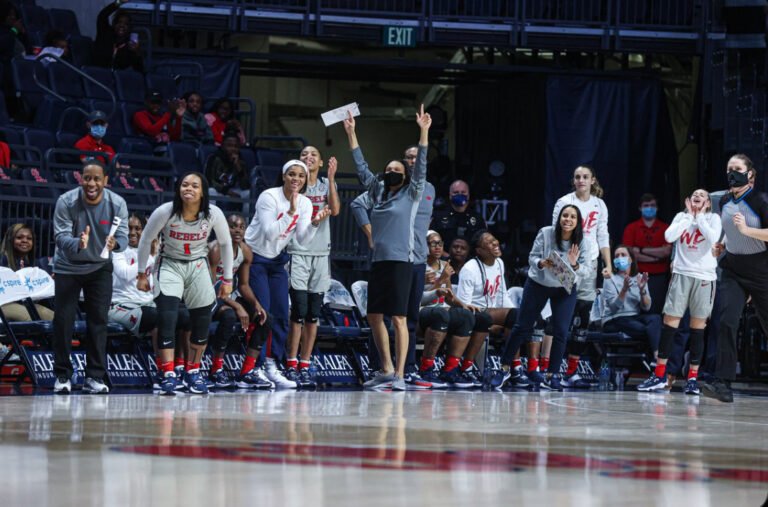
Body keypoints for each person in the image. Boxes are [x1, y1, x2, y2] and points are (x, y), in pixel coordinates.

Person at [344, 120, 436, 389]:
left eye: (398, 169)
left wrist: (424, 131)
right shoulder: (379, 191)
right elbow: (362, 169)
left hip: (401, 262)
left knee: (399, 318)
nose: (392, 172)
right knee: (374, 316)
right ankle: (384, 369)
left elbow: (420, 166)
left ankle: (399, 374)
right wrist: (351, 133)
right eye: (388, 170)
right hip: (380, 262)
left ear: (406, 175)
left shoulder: (413, 193)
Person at [137, 171, 233, 395]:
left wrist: (227, 278)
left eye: (194, 186)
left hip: (198, 264)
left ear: (202, 192)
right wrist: (142, 273)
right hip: (170, 263)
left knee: (201, 320)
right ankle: (168, 373)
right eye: (184, 185)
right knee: (167, 317)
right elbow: (146, 239)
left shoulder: (213, 213)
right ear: (178, 189)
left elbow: (226, 244)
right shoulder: (166, 211)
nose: (188, 189)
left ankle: (193, 371)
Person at [244, 160, 331, 389]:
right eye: (291, 174)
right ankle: (255, 367)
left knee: (283, 313)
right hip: (255, 258)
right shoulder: (269, 197)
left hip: (277, 262)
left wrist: (313, 224)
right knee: (263, 314)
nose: (296, 179)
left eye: (301, 176)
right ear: (283, 177)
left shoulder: (305, 202)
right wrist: (290, 212)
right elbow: (271, 233)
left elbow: (302, 239)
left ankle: (272, 365)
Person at [51, 159, 129, 394]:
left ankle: (94, 377)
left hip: (99, 268)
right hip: (68, 267)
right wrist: (78, 243)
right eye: (87, 178)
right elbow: (60, 237)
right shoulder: (66, 201)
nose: (91, 183)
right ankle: (63, 376)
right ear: (80, 179)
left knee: (98, 323)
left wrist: (116, 244)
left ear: (106, 180)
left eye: (97, 178)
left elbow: (124, 238)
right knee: (63, 322)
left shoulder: (117, 203)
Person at [491, 205, 589, 390]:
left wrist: (575, 265)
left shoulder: (583, 241)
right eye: (565, 215)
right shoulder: (546, 233)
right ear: (559, 218)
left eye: (572, 217)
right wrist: (541, 262)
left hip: (564, 288)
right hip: (539, 284)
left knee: (560, 331)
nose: (568, 219)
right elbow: (532, 257)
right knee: (522, 326)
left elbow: (586, 271)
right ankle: (503, 368)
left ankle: (552, 375)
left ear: (577, 222)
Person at [638, 189, 721, 395]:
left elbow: (712, 239)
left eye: (703, 195)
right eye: (695, 194)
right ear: (688, 200)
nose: (698, 196)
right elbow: (669, 235)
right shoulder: (681, 217)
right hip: (681, 274)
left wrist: (700, 216)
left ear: (708, 203)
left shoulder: (713, 218)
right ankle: (659, 376)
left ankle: (692, 379)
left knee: (697, 328)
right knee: (670, 325)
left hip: (704, 277)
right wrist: (690, 216)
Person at [702, 154, 768, 403]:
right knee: (727, 322)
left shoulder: (761, 201)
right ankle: (723, 383)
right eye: (729, 168)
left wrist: (747, 231)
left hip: (760, 271)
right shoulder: (726, 201)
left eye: (737, 169)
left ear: (750, 174)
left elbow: (753, 230)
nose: (732, 173)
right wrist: (722, 245)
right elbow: (731, 231)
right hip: (733, 270)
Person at [109, 213, 192, 389]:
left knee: (185, 316)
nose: (132, 232)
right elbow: (124, 274)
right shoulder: (117, 249)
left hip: (148, 304)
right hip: (121, 306)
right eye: (129, 228)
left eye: (137, 228)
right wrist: (150, 256)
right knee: (158, 317)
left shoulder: (152, 251)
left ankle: (180, 368)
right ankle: (162, 372)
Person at [552, 165, 611, 389]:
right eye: (577, 176)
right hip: (565, 261)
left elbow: (603, 234)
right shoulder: (564, 201)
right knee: (560, 316)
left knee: (582, 318)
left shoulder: (599, 204)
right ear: (573, 180)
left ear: (592, 180)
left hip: (590, 264)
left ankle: (571, 372)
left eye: (585, 177)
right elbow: (556, 231)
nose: (581, 180)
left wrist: (608, 265)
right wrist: (562, 264)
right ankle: (551, 370)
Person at [285, 146, 340, 387]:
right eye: (304, 154)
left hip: (321, 253)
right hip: (297, 251)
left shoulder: (327, 184)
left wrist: (332, 179)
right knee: (297, 311)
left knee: (313, 314)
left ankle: (305, 363)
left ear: (319, 162)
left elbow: (336, 210)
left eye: (313, 154)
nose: (308, 157)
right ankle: (290, 363)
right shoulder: (296, 184)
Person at [456, 231, 535, 388]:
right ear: (479, 251)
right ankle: (466, 367)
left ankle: (515, 369)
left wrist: (514, 315)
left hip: (493, 314)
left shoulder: (499, 263)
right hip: (474, 313)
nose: (494, 243)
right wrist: (492, 324)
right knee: (502, 318)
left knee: (517, 318)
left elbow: (502, 295)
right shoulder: (469, 268)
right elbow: (464, 304)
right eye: (488, 243)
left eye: (494, 240)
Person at [207, 214, 274, 390]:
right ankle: (215, 370)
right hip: (209, 296)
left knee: (265, 317)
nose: (238, 230)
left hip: (228, 294)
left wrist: (256, 305)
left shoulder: (245, 251)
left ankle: (246, 372)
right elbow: (212, 287)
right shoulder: (214, 249)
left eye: (242, 226)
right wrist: (237, 306)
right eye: (233, 226)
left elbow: (243, 285)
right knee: (229, 316)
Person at [417, 230, 474, 388]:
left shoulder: (445, 265)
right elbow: (417, 297)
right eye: (432, 243)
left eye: (440, 243)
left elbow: (449, 295)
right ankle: (426, 369)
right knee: (441, 314)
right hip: (422, 309)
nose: (437, 247)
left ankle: (450, 370)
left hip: (441, 308)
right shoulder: (418, 266)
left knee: (465, 316)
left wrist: (463, 305)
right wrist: (440, 280)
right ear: (424, 246)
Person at [600, 245, 661, 361]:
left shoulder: (639, 277)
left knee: (656, 319)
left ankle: (655, 356)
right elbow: (613, 308)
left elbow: (647, 308)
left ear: (630, 259)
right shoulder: (610, 279)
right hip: (615, 318)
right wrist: (624, 290)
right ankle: (656, 359)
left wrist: (642, 290)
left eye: (623, 255)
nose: (620, 258)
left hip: (634, 317)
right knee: (651, 331)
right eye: (617, 256)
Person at [622, 193, 671, 313]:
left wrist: (641, 250)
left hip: (659, 278)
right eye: (646, 205)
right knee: (637, 310)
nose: (649, 208)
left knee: (657, 310)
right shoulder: (631, 228)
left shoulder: (666, 228)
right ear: (640, 208)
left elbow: (666, 252)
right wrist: (656, 257)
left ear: (657, 208)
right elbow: (629, 254)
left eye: (652, 205)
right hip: (636, 276)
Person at [0, 223, 54, 321]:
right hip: (3, 303)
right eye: (19, 237)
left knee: (52, 316)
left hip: (23, 303)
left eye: (29, 239)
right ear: (10, 240)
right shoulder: (2, 259)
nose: (25, 240)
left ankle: (71, 337)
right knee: (28, 318)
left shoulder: (31, 264)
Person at [431, 179, 487, 255]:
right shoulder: (438, 216)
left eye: (463, 192)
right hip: (443, 260)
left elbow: (482, 244)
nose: (460, 195)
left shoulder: (477, 218)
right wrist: (446, 257)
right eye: (456, 192)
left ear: (468, 196)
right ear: (450, 196)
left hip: (470, 262)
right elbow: (432, 241)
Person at [204, 132, 251, 214]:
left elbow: (246, 186)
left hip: (232, 191)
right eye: (229, 145)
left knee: (248, 194)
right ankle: (209, 221)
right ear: (223, 146)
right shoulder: (214, 158)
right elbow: (209, 181)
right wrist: (228, 192)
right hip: (219, 191)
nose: (233, 149)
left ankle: (246, 222)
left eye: (235, 146)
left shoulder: (241, 162)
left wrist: (238, 168)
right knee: (210, 191)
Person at [93, 1, 142, 71]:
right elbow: (102, 15)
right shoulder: (104, 34)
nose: (122, 25)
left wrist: (137, 52)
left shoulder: (129, 46)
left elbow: (139, 71)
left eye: (126, 24)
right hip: (98, 75)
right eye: (119, 22)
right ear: (114, 24)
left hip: (117, 80)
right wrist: (119, 2)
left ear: (129, 28)